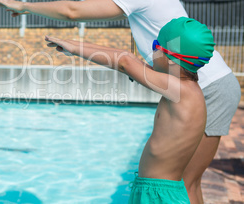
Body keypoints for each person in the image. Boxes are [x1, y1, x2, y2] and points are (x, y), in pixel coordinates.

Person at [0, 0, 241, 203]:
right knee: (186, 183)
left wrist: (24, 6)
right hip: (201, 82)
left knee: (184, 183)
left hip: (208, 85)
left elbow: (73, 11)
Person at [46, 17, 214, 203]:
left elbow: (125, 62)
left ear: (170, 58)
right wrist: (73, 46)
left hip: (159, 195)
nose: (152, 52)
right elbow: (128, 58)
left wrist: (76, 49)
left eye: (155, 46)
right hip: (159, 189)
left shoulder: (179, 90)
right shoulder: (187, 89)